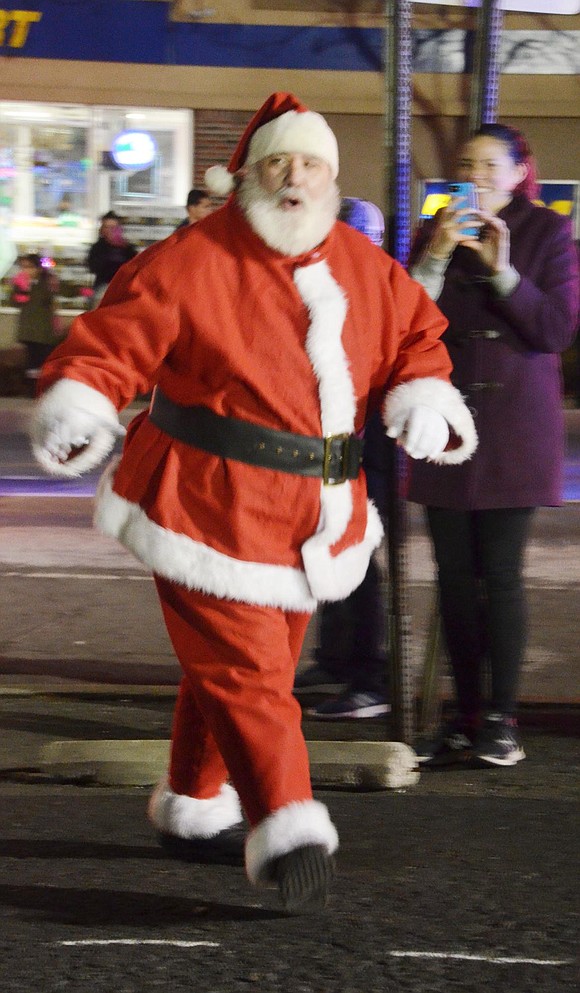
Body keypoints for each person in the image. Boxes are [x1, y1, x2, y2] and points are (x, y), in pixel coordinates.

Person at [29, 92, 477, 913]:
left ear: (332, 176)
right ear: (249, 174)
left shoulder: (358, 259)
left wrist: (422, 390)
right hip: (204, 502)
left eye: (312, 163)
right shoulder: (195, 256)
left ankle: (196, 805)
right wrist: (82, 400)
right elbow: (115, 336)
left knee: (233, 672)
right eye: (280, 161)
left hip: (316, 515)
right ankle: (286, 825)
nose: (296, 176)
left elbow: (417, 330)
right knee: (251, 674)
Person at [407, 123, 579, 768]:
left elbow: (557, 328)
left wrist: (504, 272)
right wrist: (433, 257)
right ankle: (465, 714)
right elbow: (404, 316)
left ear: (517, 173)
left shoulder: (546, 230)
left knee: (501, 577)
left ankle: (502, 722)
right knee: (453, 578)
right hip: (446, 423)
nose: (476, 176)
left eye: (489, 165)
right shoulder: (439, 229)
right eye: (466, 165)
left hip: (513, 428)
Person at [295, 198, 390, 719]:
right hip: (334, 435)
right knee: (325, 543)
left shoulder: (376, 283)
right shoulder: (325, 279)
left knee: (358, 556)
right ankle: (336, 657)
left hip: (368, 439)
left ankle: (368, 673)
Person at [12, 253, 60, 372]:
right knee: (32, 364)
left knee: (43, 362)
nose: (26, 270)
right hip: (28, 330)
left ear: (38, 268)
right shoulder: (20, 283)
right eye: (23, 267)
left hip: (44, 330)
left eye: (29, 267)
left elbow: (46, 299)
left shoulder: (46, 283)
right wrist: (23, 289)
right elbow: (15, 302)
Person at [86, 210, 137, 307]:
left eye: (113, 228)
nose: (110, 231)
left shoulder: (128, 249)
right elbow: (93, 267)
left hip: (124, 289)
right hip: (103, 288)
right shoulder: (97, 248)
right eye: (107, 227)